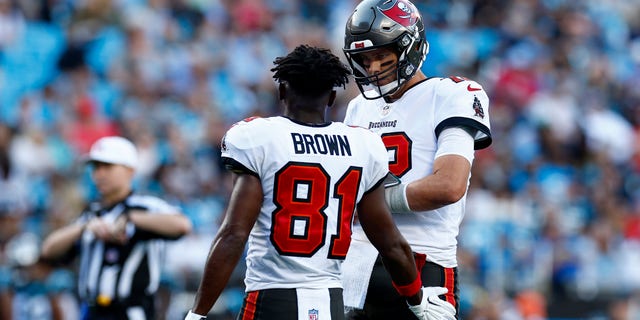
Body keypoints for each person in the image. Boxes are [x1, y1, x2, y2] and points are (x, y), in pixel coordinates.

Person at [183, 45, 456, 320]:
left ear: (282, 91)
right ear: (332, 98)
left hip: (272, 300)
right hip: (331, 304)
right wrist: (417, 301)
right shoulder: (362, 145)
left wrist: (197, 313)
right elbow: (391, 244)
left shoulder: (258, 137)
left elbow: (234, 235)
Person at [340, 0, 492, 319]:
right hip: (357, 265)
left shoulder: (453, 93)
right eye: (366, 59)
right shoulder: (358, 108)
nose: (374, 68)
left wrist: (367, 202)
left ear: (409, 46)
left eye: (382, 55)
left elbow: (448, 186)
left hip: (424, 262)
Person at [40, 136, 193, 320]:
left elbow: (182, 225)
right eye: (96, 167)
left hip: (130, 311)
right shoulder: (92, 213)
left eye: (108, 167)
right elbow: (48, 250)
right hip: (91, 310)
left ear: (129, 170)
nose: (99, 174)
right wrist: (84, 228)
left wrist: (130, 219)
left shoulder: (145, 206)